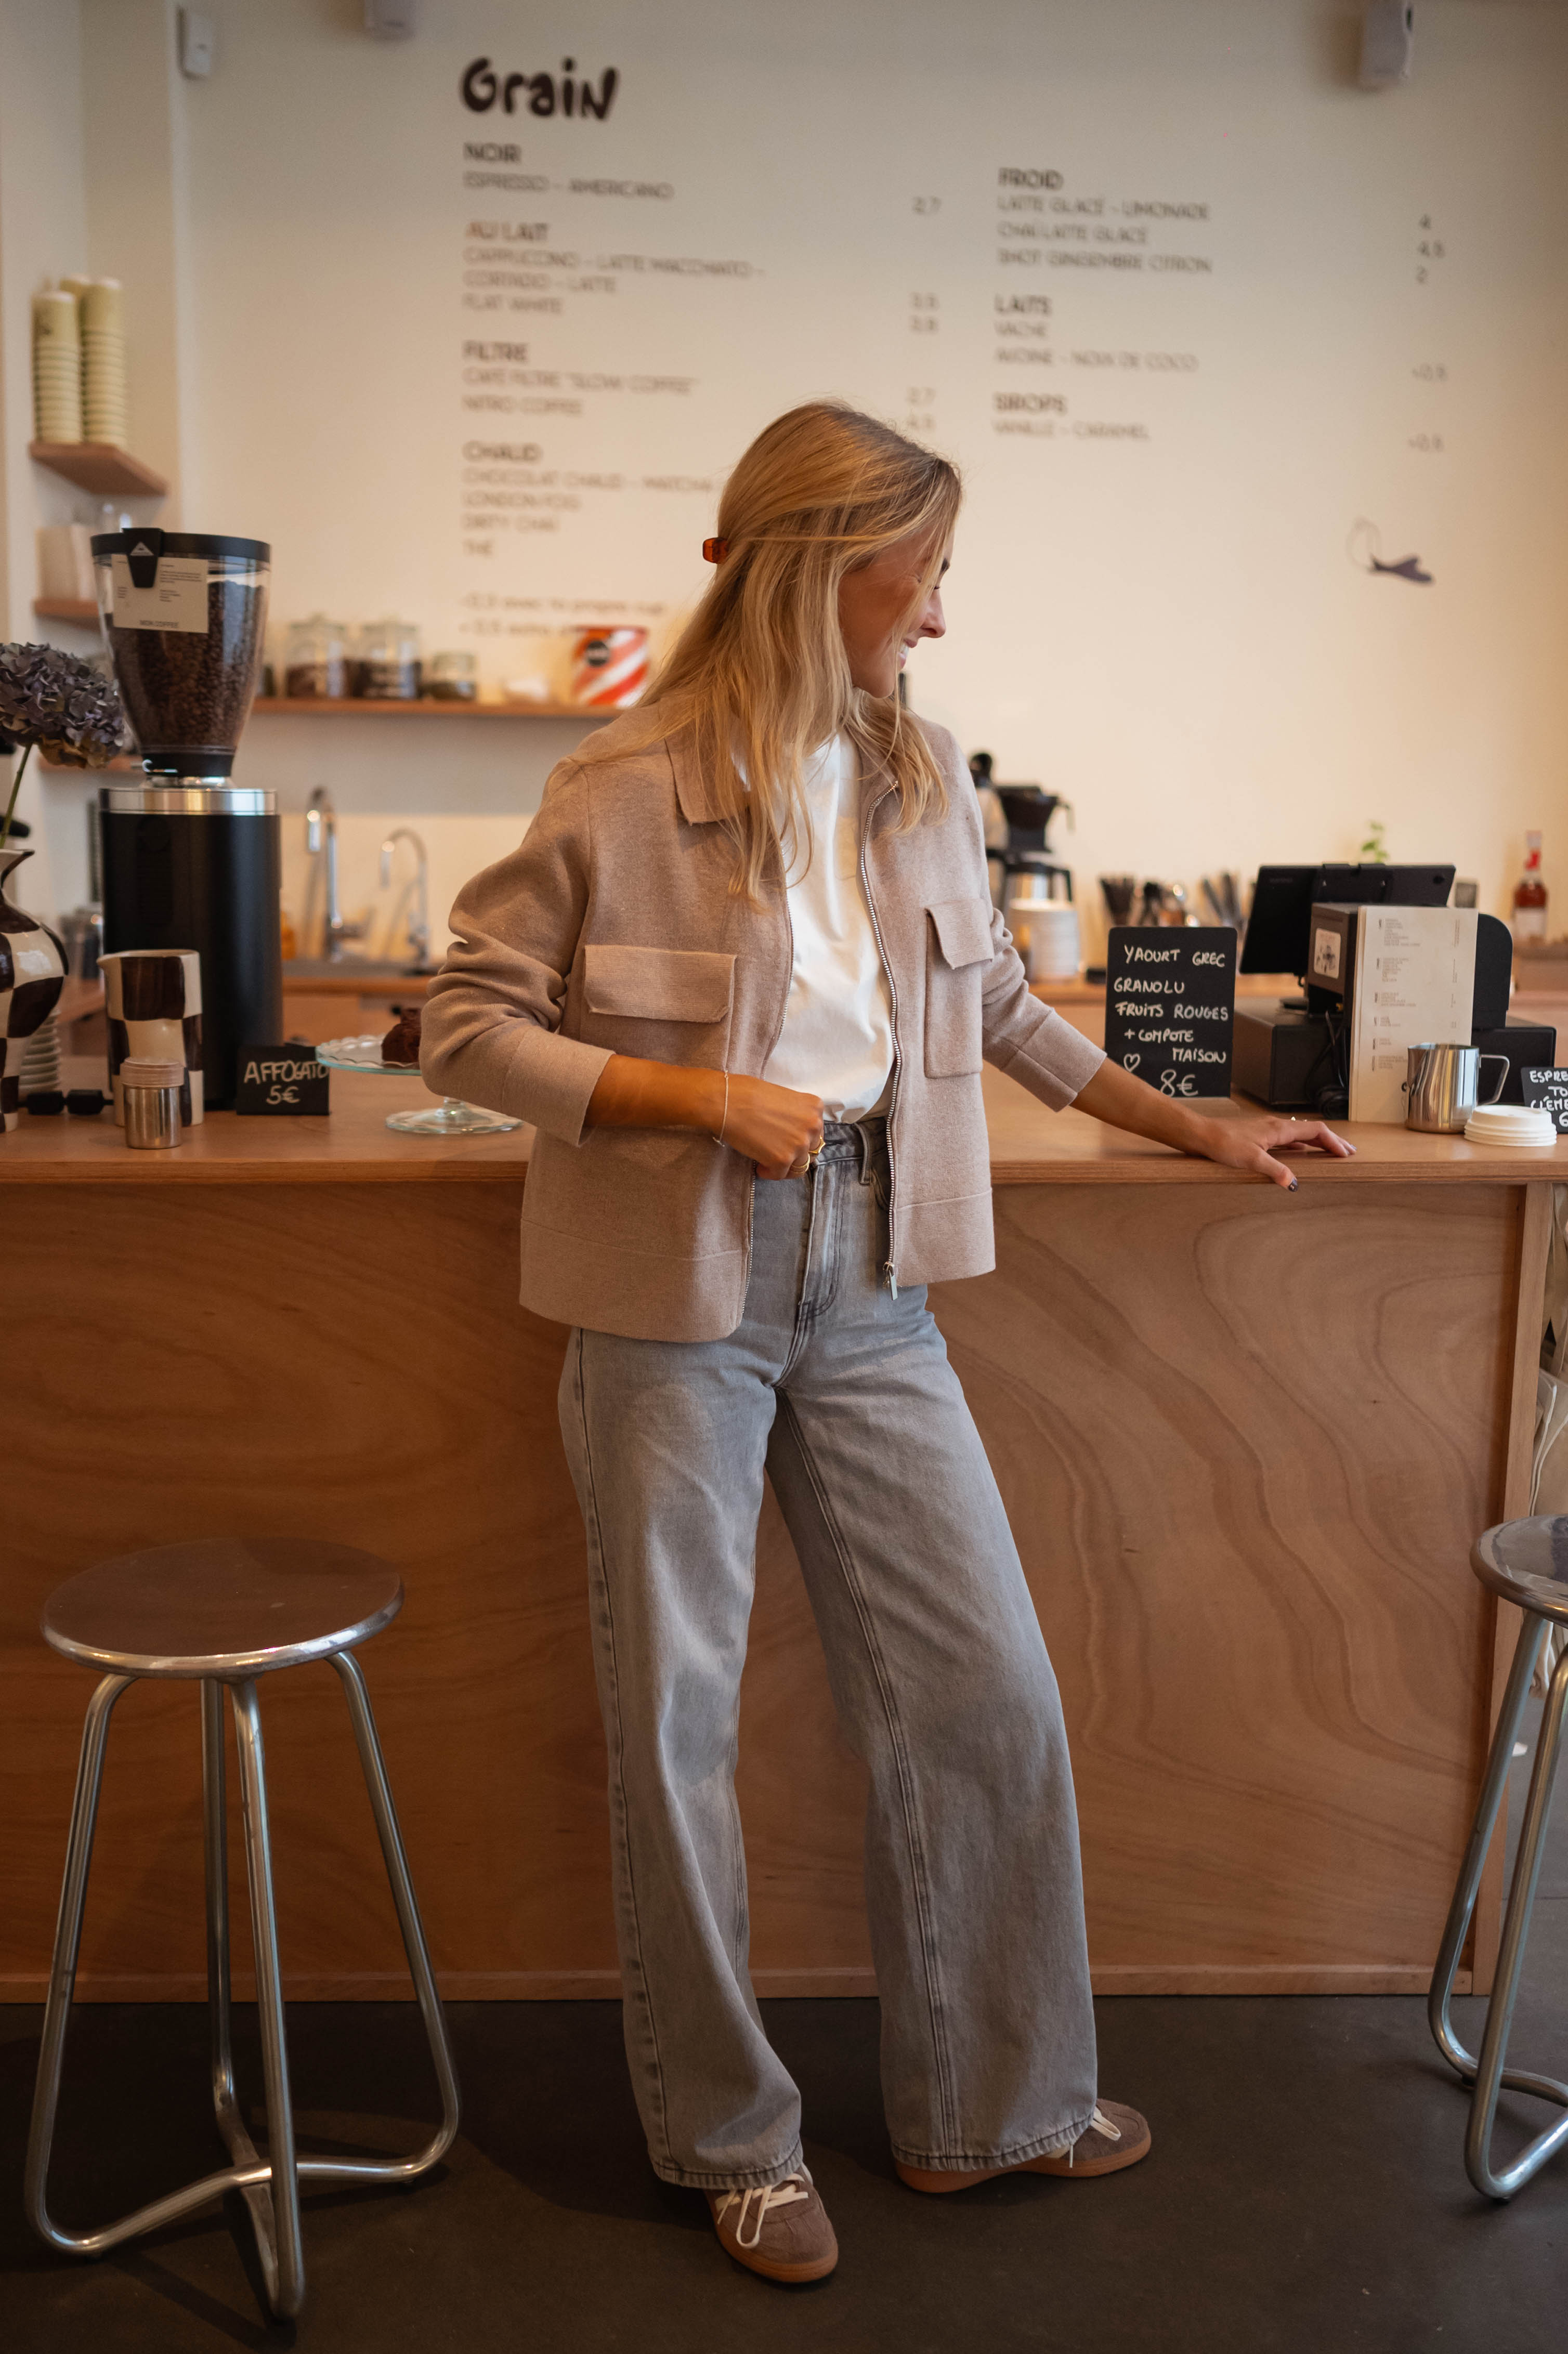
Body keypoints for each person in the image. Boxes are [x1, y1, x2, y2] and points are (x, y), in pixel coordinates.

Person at [421, 401, 1350, 2285]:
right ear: (817, 572)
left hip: (881, 1282)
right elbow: (456, 1023)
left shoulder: (920, 776)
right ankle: (729, 2138)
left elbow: (999, 1003)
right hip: (668, 1297)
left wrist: (1195, 1120)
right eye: (916, 578)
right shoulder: (615, 788)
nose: (934, 616)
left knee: (984, 1689)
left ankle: (989, 2106)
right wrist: (687, 1097)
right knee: (678, 1726)